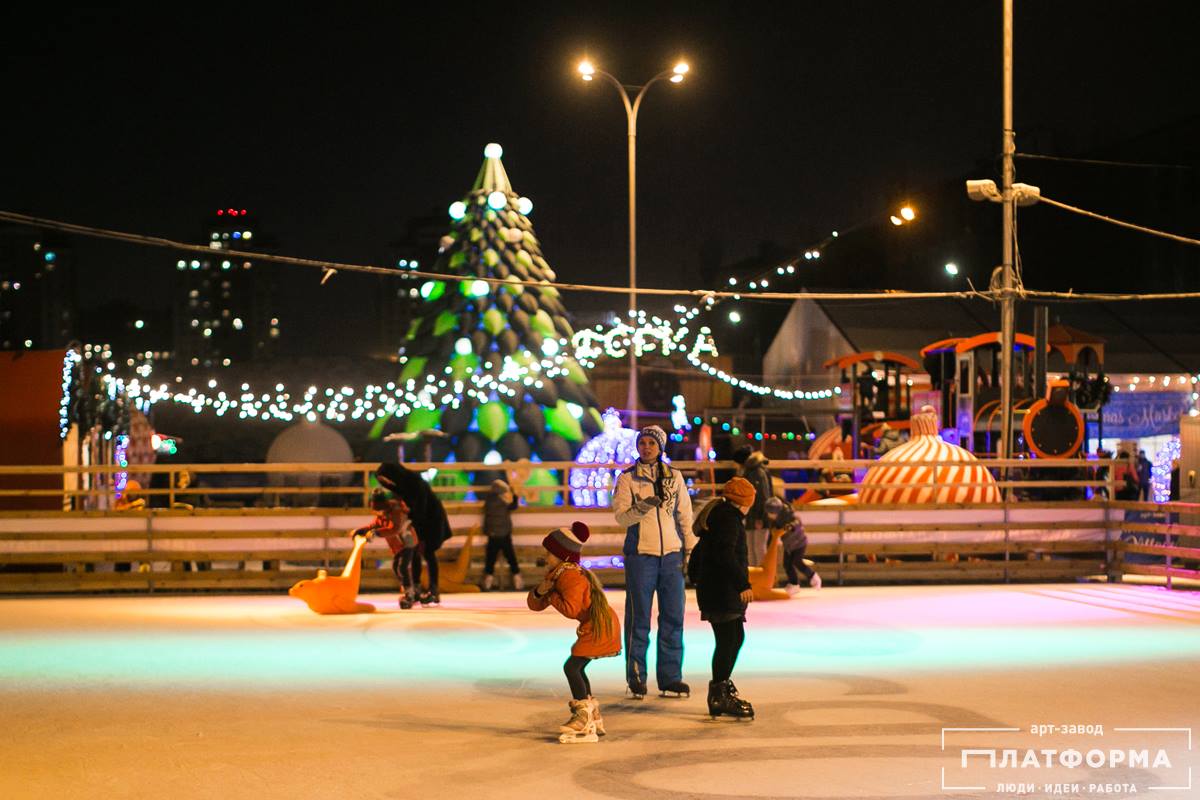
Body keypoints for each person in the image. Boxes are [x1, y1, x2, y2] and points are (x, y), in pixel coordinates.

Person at [611, 424, 694, 699]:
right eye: (642, 442)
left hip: (671, 556)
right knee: (639, 619)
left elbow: (685, 516)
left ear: (661, 447)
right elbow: (622, 517)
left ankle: (670, 677)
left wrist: (690, 550)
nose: (646, 447)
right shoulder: (627, 479)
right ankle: (636, 675)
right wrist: (643, 506)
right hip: (641, 556)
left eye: (651, 443)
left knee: (673, 617)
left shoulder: (675, 477)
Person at [526, 522, 621, 744]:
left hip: (599, 626)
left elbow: (571, 609)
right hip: (600, 625)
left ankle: (583, 715)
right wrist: (540, 592)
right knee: (577, 666)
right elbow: (534, 604)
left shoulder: (570, 576)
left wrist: (550, 596)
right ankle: (592, 714)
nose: (546, 556)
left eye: (549, 553)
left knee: (572, 667)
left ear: (562, 555)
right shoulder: (560, 574)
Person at [692, 477, 756, 720]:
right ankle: (719, 695)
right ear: (744, 502)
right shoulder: (728, 519)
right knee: (729, 639)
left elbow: (702, 552)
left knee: (734, 637)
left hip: (718, 588)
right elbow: (724, 554)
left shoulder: (722, 516)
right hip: (722, 589)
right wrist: (742, 584)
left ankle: (721, 688)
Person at [375, 462, 453, 606]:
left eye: (386, 479)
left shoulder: (415, 483)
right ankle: (417, 587)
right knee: (416, 552)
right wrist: (380, 479)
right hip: (418, 519)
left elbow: (421, 508)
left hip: (431, 520)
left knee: (428, 553)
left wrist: (419, 531)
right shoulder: (403, 482)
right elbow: (397, 489)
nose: (387, 483)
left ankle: (434, 590)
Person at [352, 488, 419, 608]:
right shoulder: (383, 512)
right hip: (399, 545)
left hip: (407, 541)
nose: (378, 513)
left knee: (402, 567)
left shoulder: (396, 511)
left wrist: (376, 533)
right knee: (396, 567)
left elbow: (395, 529)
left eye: (379, 510)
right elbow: (374, 525)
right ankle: (410, 590)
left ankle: (410, 593)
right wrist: (361, 530)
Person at [764, 496, 821, 594]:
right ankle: (794, 584)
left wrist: (790, 526)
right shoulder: (775, 519)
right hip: (788, 545)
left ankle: (813, 577)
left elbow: (797, 522)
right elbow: (774, 530)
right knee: (787, 564)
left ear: (777, 511)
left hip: (799, 543)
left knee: (797, 562)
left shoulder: (788, 514)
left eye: (771, 513)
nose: (770, 516)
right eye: (769, 513)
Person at [732, 445, 773, 566]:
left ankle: (762, 578)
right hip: (750, 516)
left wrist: (760, 517)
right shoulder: (751, 472)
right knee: (751, 548)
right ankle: (754, 577)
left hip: (758, 516)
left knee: (759, 548)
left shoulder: (757, 472)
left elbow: (763, 496)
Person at [482, 479, 523, 591]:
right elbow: (514, 506)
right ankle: (517, 578)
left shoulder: (488, 503)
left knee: (490, 559)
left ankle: (488, 581)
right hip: (504, 534)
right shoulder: (503, 503)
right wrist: (515, 495)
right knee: (511, 557)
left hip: (492, 535)